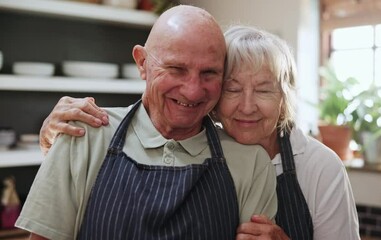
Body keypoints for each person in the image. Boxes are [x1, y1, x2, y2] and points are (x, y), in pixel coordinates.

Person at [38, 26, 361, 239]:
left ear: (285, 97)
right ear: (215, 91)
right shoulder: (194, 139)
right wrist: (57, 137)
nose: (247, 107)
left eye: (263, 90)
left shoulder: (321, 168)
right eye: (233, 89)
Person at [15, 6, 278, 240]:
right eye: (176, 69)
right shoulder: (84, 134)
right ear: (142, 63)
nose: (193, 91)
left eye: (209, 73)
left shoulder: (250, 163)